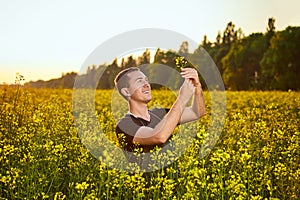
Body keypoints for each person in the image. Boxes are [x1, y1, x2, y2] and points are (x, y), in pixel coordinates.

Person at [114, 66, 205, 164]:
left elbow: (197, 112)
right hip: (147, 179)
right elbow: (159, 137)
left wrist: (197, 87)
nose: (147, 84)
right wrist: (182, 98)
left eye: (146, 80)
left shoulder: (159, 114)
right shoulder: (124, 125)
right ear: (126, 91)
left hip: (172, 177)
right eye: (139, 81)